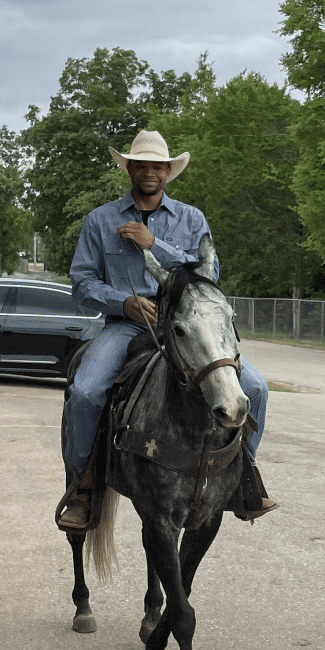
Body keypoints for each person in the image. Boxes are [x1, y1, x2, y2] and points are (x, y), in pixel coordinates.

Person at [57, 130, 277, 531]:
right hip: (126, 327)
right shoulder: (100, 220)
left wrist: (155, 243)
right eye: (141, 164)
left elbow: (209, 273)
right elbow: (82, 283)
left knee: (257, 388)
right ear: (130, 168)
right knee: (87, 391)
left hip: (187, 326)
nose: (149, 172)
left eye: (157, 166)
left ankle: (245, 477)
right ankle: (83, 487)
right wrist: (123, 302)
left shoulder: (192, 219)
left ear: (168, 172)